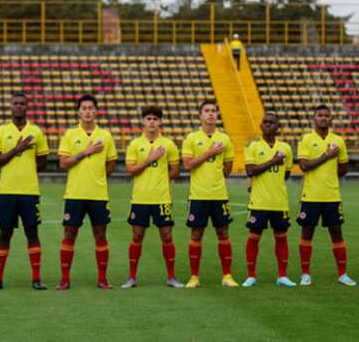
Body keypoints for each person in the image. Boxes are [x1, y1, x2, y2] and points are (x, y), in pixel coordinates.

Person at [0, 93, 50, 291]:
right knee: (4, 233)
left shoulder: (37, 131)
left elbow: (42, 161)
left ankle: (37, 279)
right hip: (7, 191)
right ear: (10, 106)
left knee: (32, 232)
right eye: (16, 104)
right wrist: (17, 149)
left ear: (27, 107)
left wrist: (27, 169)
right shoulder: (1, 131)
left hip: (30, 191)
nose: (19, 107)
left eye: (22, 104)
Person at [57, 94, 117, 290]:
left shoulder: (106, 135)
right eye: (84, 108)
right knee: (69, 234)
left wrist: (97, 178)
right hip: (75, 194)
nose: (87, 111)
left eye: (91, 108)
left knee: (100, 235)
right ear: (78, 111)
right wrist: (85, 152)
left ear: (96, 111)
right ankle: (65, 279)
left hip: (98, 195)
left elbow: (111, 164)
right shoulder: (70, 134)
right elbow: (63, 163)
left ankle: (102, 278)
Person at [120, 106, 183, 289]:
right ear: (143, 121)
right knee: (137, 236)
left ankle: (171, 277)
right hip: (140, 199)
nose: (152, 122)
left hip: (162, 199)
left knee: (166, 236)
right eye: (149, 118)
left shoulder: (169, 144)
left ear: (160, 122)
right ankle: (132, 277)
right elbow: (130, 170)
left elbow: (175, 170)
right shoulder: (134, 145)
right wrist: (149, 159)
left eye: (155, 118)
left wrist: (161, 182)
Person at [297, 105, 355, 286]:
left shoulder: (338, 140)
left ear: (330, 119)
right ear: (314, 119)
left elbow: (344, 168)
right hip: (310, 196)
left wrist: (328, 173)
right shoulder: (306, 139)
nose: (323, 118)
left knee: (337, 233)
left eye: (326, 116)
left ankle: (342, 274)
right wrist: (327, 156)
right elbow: (304, 166)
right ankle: (305, 273)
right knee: (307, 232)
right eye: (320, 115)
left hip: (332, 196)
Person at [182, 100, 237, 288]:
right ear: (200, 116)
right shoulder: (191, 138)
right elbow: (188, 165)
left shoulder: (226, 139)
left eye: (213, 111)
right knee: (196, 234)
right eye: (206, 111)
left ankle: (227, 276)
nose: (211, 114)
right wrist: (210, 152)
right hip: (198, 195)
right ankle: (194, 277)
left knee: (223, 233)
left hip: (219, 195)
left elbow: (228, 168)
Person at [241, 112, 296, 288]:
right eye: (265, 122)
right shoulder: (253, 146)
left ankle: (282, 276)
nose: (268, 124)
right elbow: (251, 170)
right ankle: (251, 276)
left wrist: (272, 166)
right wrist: (273, 161)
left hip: (279, 202)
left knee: (281, 237)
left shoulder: (285, 148)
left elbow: (286, 174)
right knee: (254, 237)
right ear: (260, 125)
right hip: (259, 202)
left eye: (272, 122)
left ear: (278, 127)